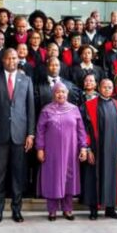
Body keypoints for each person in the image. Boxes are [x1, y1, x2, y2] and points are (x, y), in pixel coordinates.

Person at [0, 48, 35, 223]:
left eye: (14, 58)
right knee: (0, 175)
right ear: (3, 60)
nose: (12, 61)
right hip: (0, 134)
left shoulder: (26, 80)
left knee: (17, 175)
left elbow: (30, 108)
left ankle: (16, 210)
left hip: (20, 135)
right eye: (8, 58)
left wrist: (30, 134)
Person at [35, 82, 88, 221]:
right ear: (53, 93)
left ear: (67, 94)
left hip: (71, 151)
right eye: (58, 92)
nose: (61, 94)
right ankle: (52, 211)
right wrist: (40, 148)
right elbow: (40, 131)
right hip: (52, 152)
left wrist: (83, 147)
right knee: (53, 178)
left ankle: (67, 210)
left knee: (69, 179)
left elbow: (81, 130)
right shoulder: (46, 110)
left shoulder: (74, 109)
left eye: (63, 92)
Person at [82, 79, 117, 220]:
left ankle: (110, 209)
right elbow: (84, 128)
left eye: (110, 87)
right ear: (99, 88)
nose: (107, 89)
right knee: (94, 178)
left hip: (113, 149)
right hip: (96, 149)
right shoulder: (89, 105)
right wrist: (88, 148)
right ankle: (93, 210)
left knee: (112, 178)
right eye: (104, 87)